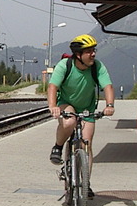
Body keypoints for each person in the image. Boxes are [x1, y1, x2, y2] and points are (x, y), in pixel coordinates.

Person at [47, 34, 116, 197]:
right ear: (78, 55)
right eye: (89, 51)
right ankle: (58, 146)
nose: (93, 54)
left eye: (94, 50)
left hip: (87, 107)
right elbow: (52, 87)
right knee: (69, 122)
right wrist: (53, 106)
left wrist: (110, 105)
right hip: (66, 102)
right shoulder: (65, 65)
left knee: (86, 144)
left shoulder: (97, 67)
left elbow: (108, 86)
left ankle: (85, 183)